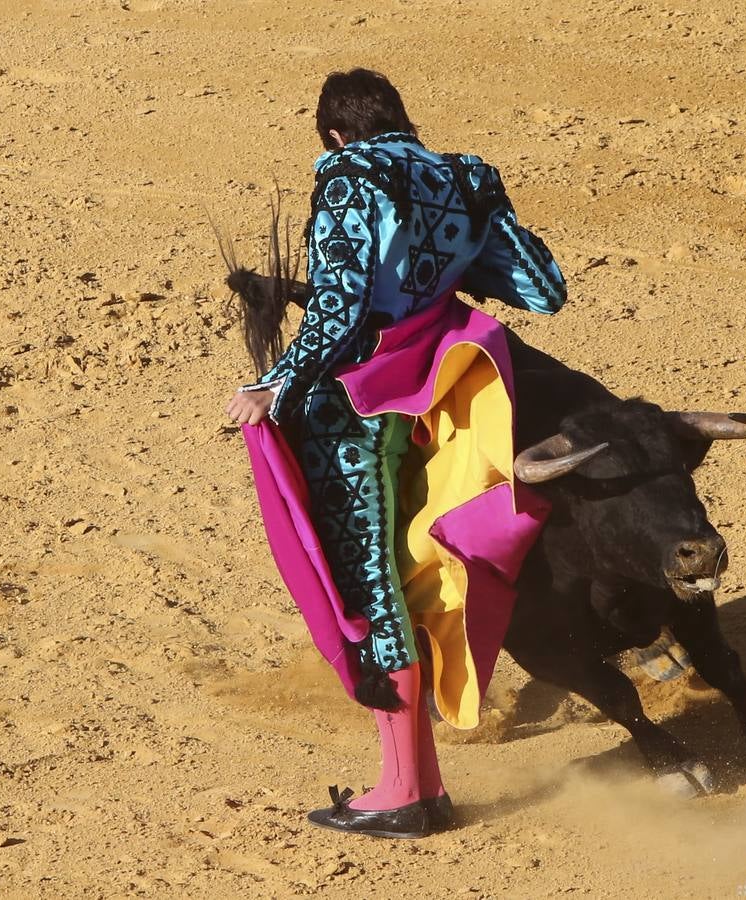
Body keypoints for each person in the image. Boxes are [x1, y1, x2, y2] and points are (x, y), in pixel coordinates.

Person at [225, 68, 566, 838]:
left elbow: (341, 306)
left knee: (370, 592)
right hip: (425, 403)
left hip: (347, 409)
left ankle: (407, 791)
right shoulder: (466, 177)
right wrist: (460, 241)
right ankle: (420, 784)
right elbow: (541, 288)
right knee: (396, 582)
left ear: (335, 134)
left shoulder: (347, 175)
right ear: (403, 120)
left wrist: (274, 383)